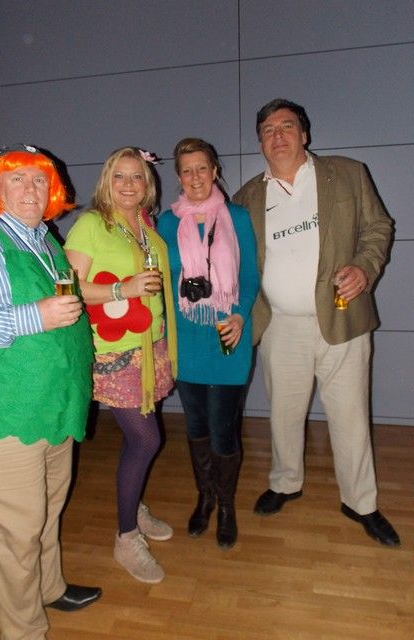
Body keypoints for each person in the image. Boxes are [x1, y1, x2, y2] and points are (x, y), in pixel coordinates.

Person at [0, 143, 102, 639]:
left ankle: (49, 588)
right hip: (4, 405)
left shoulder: (44, 238)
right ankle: (23, 630)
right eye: (17, 179)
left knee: (47, 508)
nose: (31, 189)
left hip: (55, 401)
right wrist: (32, 317)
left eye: (39, 180)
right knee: (16, 530)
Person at [233, 98, 399, 547]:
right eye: (268, 130)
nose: (278, 136)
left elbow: (379, 227)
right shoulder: (246, 198)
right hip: (279, 324)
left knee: (350, 417)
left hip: (342, 317)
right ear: (260, 143)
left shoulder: (347, 174)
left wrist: (364, 267)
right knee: (283, 414)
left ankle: (360, 502)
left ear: (304, 134)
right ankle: (286, 482)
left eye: (287, 126)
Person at [65, 146, 177, 584]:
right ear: (106, 182)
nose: (129, 184)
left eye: (137, 176)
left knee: (141, 440)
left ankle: (134, 505)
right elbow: (69, 286)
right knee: (146, 440)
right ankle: (126, 535)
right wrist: (121, 290)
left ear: (148, 184)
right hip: (116, 351)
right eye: (119, 176)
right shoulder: (92, 224)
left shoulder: (145, 224)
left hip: (150, 344)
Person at [157, 138, 259, 549]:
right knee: (196, 426)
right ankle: (205, 497)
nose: (195, 177)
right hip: (185, 340)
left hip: (226, 334)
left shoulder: (237, 217)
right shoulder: (166, 223)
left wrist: (240, 315)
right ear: (178, 177)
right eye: (187, 170)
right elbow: (161, 281)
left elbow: (249, 276)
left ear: (215, 171)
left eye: (202, 168)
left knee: (222, 429)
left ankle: (227, 505)